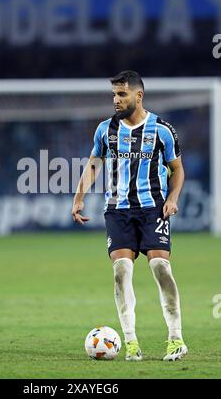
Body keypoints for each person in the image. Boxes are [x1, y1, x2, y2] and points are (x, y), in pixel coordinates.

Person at [72, 70, 188, 362]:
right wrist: (78, 199)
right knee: (121, 271)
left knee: (160, 267)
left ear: (139, 95)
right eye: (113, 94)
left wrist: (172, 199)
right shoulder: (105, 130)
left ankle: (176, 339)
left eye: (122, 94)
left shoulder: (162, 129)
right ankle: (131, 343)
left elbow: (177, 170)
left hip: (153, 208)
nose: (116, 100)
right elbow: (94, 165)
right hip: (118, 209)